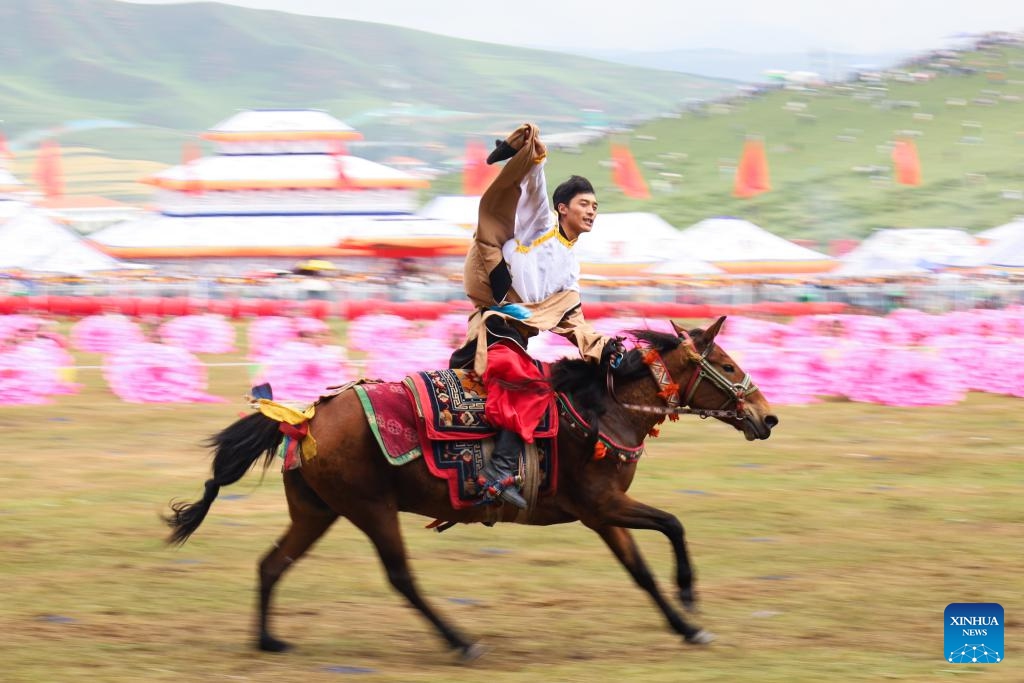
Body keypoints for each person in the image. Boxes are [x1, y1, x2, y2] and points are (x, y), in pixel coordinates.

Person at [449, 122, 622, 509]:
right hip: (496, 332)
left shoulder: (572, 266)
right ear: (563, 208)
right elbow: (535, 186)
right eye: (584, 204)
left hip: (516, 339)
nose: (591, 211)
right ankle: (497, 474)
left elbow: (571, 319)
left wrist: (605, 349)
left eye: (595, 206)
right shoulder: (538, 226)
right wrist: (530, 152)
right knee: (532, 386)